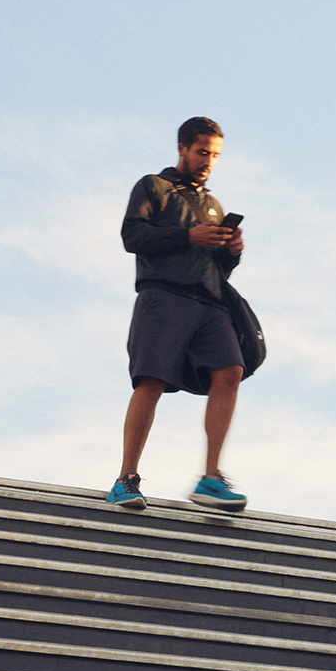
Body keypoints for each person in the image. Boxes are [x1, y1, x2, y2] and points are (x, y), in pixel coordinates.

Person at [106, 116, 249, 513]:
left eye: (215, 155)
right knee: (151, 381)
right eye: (202, 152)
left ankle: (211, 478)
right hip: (163, 295)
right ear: (182, 148)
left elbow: (216, 267)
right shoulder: (154, 186)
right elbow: (132, 236)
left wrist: (230, 252)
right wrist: (188, 235)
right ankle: (125, 478)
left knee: (231, 370)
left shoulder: (213, 205)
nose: (208, 161)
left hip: (210, 302)